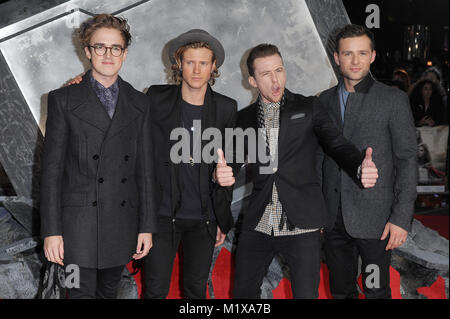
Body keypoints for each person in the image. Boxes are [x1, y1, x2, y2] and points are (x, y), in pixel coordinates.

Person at [232, 43, 379, 299]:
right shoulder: (243, 119)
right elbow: (230, 163)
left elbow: (336, 143)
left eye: (279, 69)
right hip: (259, 221)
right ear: (253, 81)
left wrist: (358, 165)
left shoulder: (308, 107)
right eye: (266, 74)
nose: (275, 79)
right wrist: (219, 173)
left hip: (301, 223)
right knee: (242, 296)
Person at [40, 14, 156, 299]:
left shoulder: (140, 103)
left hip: (120, 224)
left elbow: (145, 170)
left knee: (108, 294)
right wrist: (51, 231)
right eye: (100, 47)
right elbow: (51, 172)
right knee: (75, 293)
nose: (108, 54)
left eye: (115, 48)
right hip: (74, 230)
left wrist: (146, 227)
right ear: (88, 51)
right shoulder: (62, 99)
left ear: (125, 53)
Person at [319, 24, 418, 299]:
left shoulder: (392, 100)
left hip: (376, 220)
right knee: (340, 291)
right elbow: (319, 160)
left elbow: (407, 160)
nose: (355, 60)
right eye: (347, 54)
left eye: (362, 53)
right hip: (333, 217)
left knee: (376, 291)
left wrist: (401, 218)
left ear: (372, 56)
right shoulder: (323, 101)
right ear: (337, 57)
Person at [141, 29, 237, 299]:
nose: (196, 70)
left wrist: (221, 216)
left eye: (203, 63)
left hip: (203, 218)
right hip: (161, 216)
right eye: (190, 62)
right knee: (155, 290)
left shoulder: (226, 108)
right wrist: (84, 81)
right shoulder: (155, 98)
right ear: (179, 65)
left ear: (213, 66)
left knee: (196, 290)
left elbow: (226, 169)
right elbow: (121, 100)